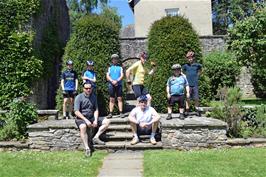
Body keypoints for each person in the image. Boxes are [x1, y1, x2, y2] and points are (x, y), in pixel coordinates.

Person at [74, 81, 110, 157]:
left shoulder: (93, 97)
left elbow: (96, 110)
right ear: (83, 89)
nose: (88, 90)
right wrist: (86, 120)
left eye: (90, 88)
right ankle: (87, 148)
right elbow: (76, 112)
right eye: (86, 88)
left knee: (107, 121)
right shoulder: (79, 97)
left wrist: (96, 120)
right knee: (83, 127)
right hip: (81, 118)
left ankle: (96, 137)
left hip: (91, 117)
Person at [182, 50, 202, 116]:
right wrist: (184, 76)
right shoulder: (185, 66)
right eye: (188, 58)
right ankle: (187, 110)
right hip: (188, 85)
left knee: (196, 98)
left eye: (190, 58)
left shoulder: (197, 65)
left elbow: (200, 70)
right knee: (188, 98)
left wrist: (198, 75)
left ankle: (197, 110)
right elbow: (181, 71)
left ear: (193, 58)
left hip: (195, 84)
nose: (189, 59)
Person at [106, 54, 124, 118]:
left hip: (119, 84)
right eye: (113, 59)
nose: (115, 60)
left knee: (119, 98)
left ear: (117, 60)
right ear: (112, 60)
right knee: (111, 99)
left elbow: (122, 75)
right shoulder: (110, 67)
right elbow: (107, 76)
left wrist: (117, 80)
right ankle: (110, 113)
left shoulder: (120, 67)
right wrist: (112, 81)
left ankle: (121, 112)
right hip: (111, 84)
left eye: (116, 59)